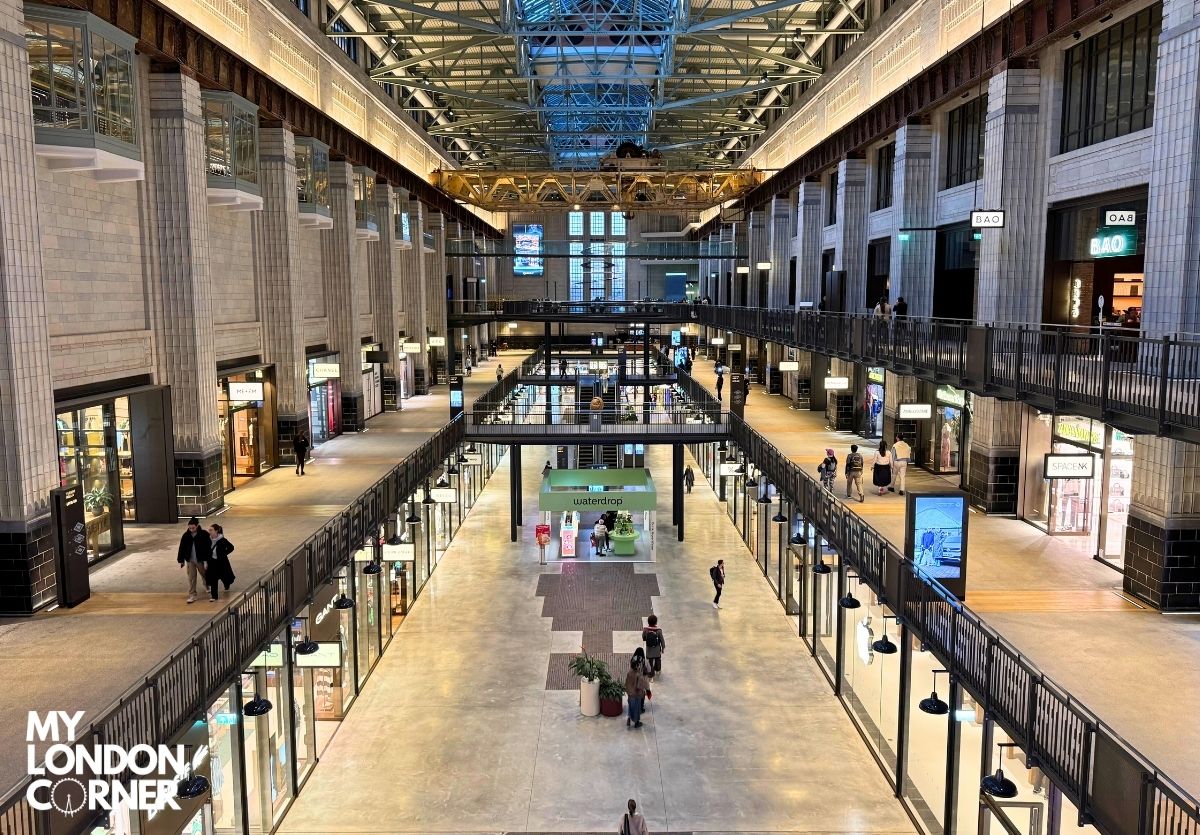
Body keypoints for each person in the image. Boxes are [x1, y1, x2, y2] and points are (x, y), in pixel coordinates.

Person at [176, 517, 212, 604]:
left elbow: (208, 547)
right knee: (191, 578)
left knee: (204, 574)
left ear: (197, 526)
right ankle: (192, 595)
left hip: (201, 560)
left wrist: (207, 560)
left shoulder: (204, 534)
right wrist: (181, 560)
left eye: (193, 528)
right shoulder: (186, 536)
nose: (191, 530)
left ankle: (207, 585)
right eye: (190, 528)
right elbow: (182, 548)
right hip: (190, 560)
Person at [205, 523, 236, 602]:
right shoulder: (208, 540)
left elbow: (231, 547)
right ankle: (214, 596)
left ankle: (227, 584)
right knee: (213, 579)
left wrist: (224, 554)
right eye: (209, 530)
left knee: (224, 576)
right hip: (212, 562)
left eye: (211, 530)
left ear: (216, 531)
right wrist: (206, 562)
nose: (209, 531)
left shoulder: (222, 540)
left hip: (221, 562)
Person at [624, 658, 649, 728]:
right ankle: (636, 723)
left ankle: (629, 719)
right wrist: (642, 693)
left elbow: (626, 683)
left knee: (630, 707)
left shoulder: (629, 673)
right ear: (637, 666)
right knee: (637, 709)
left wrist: (628, 692)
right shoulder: (638, 674)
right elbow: (639, 686)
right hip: (636, 694)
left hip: (630, 693)